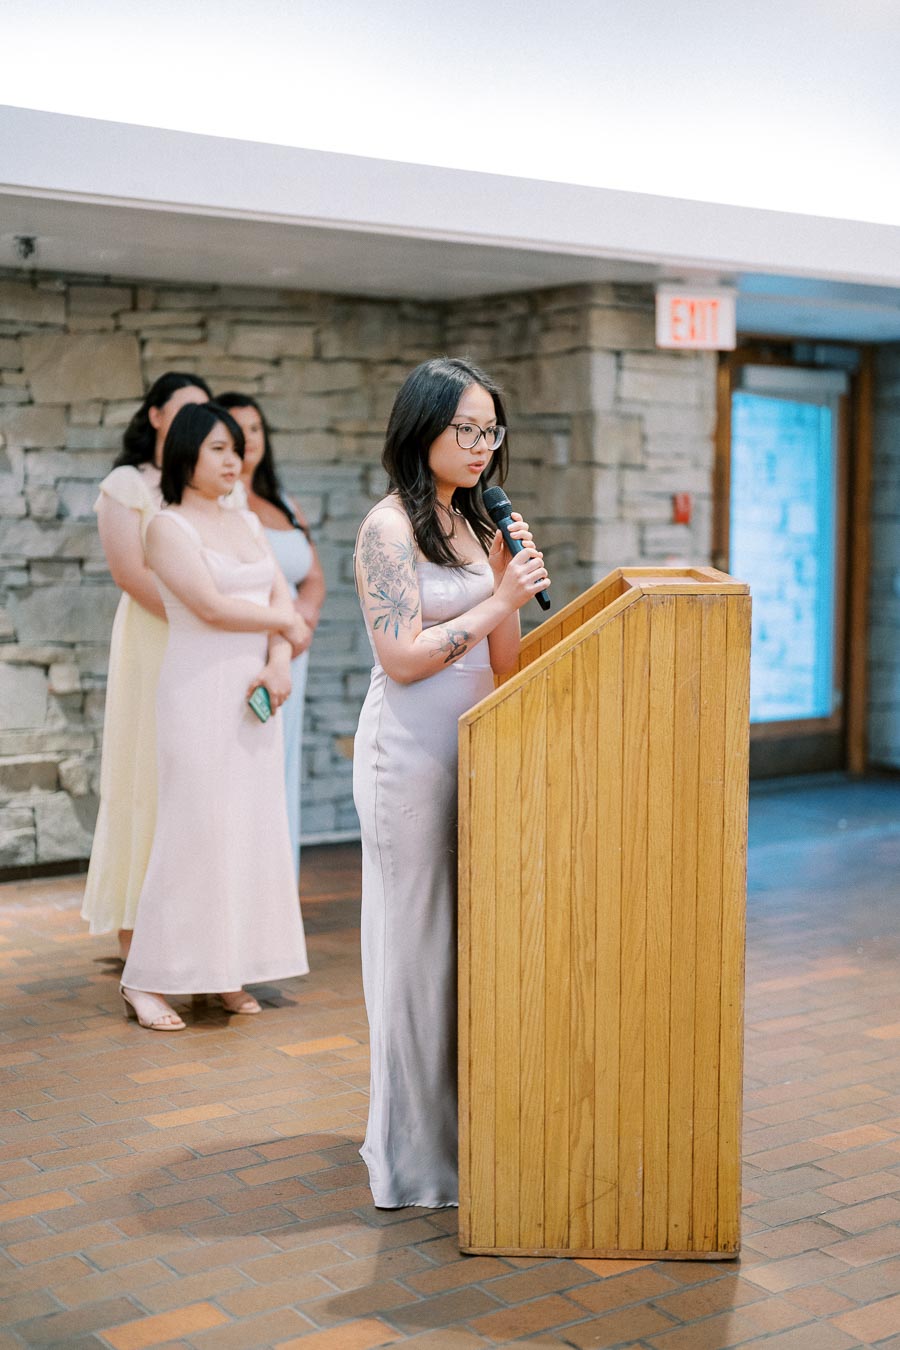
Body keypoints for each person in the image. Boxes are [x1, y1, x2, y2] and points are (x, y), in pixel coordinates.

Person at [353, 356, 550, 1207]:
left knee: (469, 948)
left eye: (490, 430)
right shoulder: (387, 528)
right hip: (407, 752)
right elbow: (400, 659)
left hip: (478, 746)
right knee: (417, 950)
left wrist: (514, 587)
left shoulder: (482, 524)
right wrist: (498, 597)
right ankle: (415, 1162)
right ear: (422, 427)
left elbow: (503, 663)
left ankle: (473, 1138)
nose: (480, 445)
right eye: (466, 427)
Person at [120, 402, 310, 1031]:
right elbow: (211, 607)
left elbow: (281, 602)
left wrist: (280, 660)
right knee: (193, 835)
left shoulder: (249, 523)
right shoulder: (166, 527)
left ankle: (222, 970)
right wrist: (285, 625)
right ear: (186, 457)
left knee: (245, 833)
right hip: (198, 696)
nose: (234, 460)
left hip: (257, 698)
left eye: (236, 448)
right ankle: (144, 980)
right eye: (219, 450)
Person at [81, 372, 211, 958]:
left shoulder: (209, 485)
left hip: (209, 643)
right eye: (184, 410)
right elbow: (131, 574)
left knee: (196, 777)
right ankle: (136, 929)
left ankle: (196, 924)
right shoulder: (126, 484)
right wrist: (198, 617)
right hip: (153, 637)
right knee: (146, 771)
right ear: (155, 415)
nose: (194, 423)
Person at [217, 392, 326, 876]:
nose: (250, 439)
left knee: (282, 760)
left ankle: (277, 879)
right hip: (247, 652)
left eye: (257, 428)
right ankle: (242, 877)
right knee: (246, 762)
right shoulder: (221, 503)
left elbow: (315, 575)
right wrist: (282, 626)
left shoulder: (284, 501)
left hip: (293, 650)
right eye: (238, 430)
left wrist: (302, 620)